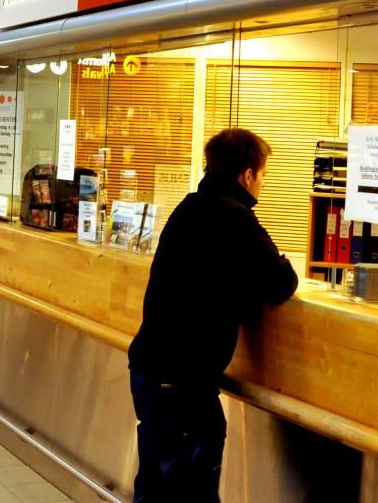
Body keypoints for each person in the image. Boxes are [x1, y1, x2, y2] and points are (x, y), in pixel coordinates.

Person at [126, 128, 297, 502]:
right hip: (183, 380)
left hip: (152, 369)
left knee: (156, 482)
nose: (263, 184)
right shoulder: (236, 218)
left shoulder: (189, 207)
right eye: (263, 174)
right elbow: (280, 283)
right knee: (187, 487)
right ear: (248, 175)